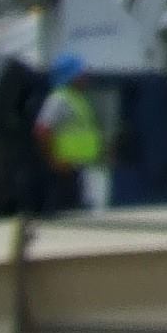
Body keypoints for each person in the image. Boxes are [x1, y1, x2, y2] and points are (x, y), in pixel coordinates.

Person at [32, 53, 108, 216]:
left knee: (80, 212)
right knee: (65, 213)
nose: (85, 77)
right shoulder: (59, 98)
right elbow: (42, 130)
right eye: (80, 73)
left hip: (81, 167)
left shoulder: (78, 98)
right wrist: (54, 159)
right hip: (65, 169)